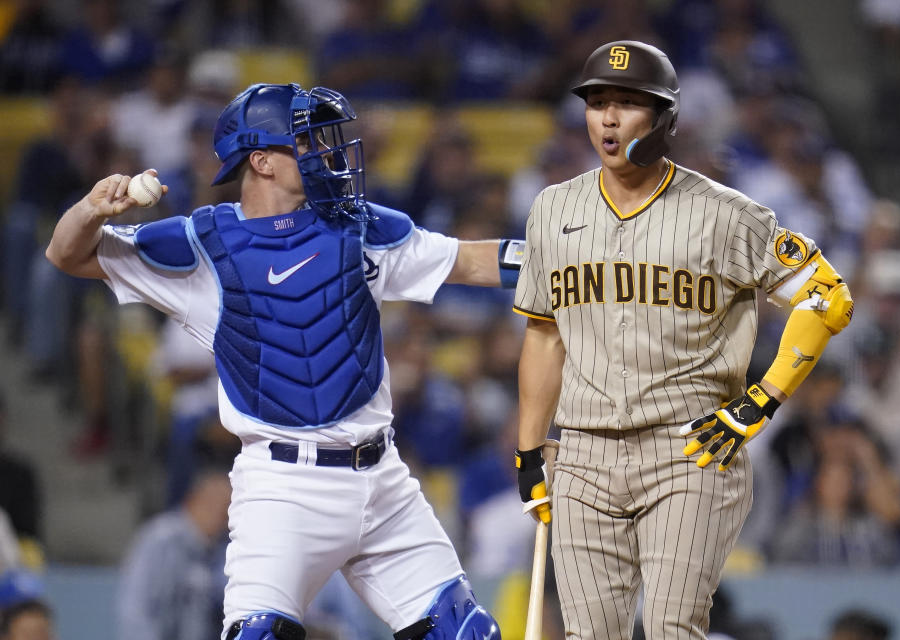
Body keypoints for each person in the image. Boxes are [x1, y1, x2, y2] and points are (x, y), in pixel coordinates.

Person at [45, 82, 520, 640]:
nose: (329, 153)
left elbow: (472, 262)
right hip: (283, 487)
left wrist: (565, 259)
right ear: (262, 160)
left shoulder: (358, 225)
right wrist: (90, 209)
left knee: (465, 633)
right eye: (309, 141)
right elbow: (65, 254)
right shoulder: (203, 245)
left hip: (383, 478)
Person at [512, 41, 854, 640]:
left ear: (666, 117)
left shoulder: (727, 214)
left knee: (673, 627)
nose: (609, 119)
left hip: (689, 448)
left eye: (627, 103)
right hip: (584, 455)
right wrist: (529, 451)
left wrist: (762, 398)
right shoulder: (551, 209)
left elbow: (828, 297)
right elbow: (544, 336)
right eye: (597, 103)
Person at [116, 469, 232, 640]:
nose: (219, 517)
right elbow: (136, 610)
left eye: (225, 511)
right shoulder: (160, 540)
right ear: (193, 500)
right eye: (212, 505)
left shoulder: (220, 551)